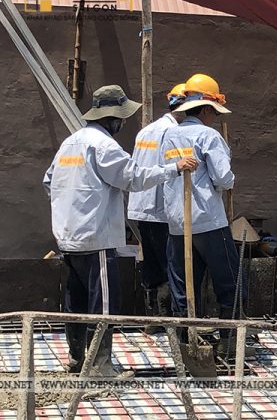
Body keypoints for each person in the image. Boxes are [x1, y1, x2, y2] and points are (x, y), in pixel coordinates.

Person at [43, 85, 198, 377]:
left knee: (75, 302)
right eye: (122, 118)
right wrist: (174, 168)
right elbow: (133, 178)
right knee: (103, 304)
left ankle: (77, 360)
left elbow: (49, 181)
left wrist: (70, 208)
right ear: (111, 118)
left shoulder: (70, 143)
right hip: (96, 238)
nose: (123, 123)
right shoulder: (104, 146)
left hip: (68, 237)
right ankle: (100, 367)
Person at [161, 73, 245, 356]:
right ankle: (230, 342)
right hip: (209, 219)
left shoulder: (170, 135)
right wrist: (229, 180)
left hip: (178, 221)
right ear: (207, 109)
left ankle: (185, 341)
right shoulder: (209, 136)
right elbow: (223, 177)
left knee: (184, 285)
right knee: (229, 281)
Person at [127, 83, 187, 332]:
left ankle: (154, 318)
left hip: (142, 206)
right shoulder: (174, 133)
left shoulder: (147, 131)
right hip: (162, 208)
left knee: (152, 261)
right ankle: (171, 319)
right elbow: (176, 170)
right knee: (171, 264)